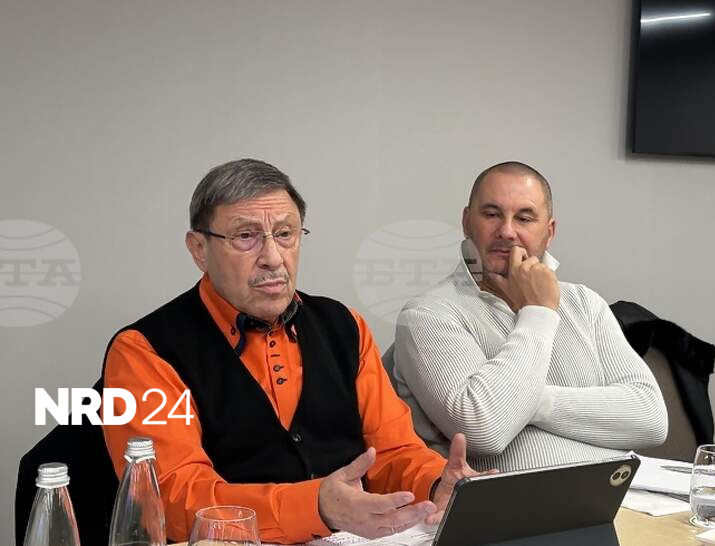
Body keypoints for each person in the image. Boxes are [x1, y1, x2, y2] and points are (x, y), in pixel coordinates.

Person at [101, 159, 480, 544]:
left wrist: (437, 483)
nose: (273, 257)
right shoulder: (144, 350)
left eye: (285, 234)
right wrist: (316, 507)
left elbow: (393, 453)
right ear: (199, 249)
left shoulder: (344, 325)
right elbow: (171, 499)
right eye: (245, 236)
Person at [392, 161, 668, 471]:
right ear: (467, 222)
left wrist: (524, 402)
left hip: (620, 493)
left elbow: (651, 419)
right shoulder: (427, 315)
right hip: (507, 501)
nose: (507, 231)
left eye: (524, 218)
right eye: (492, 214)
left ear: (549, 232)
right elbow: (484, 430)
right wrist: (539, 311)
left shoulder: (584, 302)